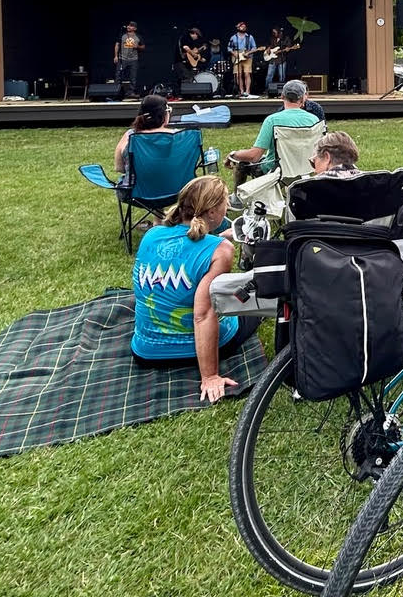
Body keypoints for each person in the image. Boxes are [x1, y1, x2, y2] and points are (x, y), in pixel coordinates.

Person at [131, 175, 258, 403]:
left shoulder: (151, 235)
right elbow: (203, 314)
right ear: (211, 212)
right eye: (223, 203)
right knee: (253, 303)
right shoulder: (221, 250)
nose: (227, 206)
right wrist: (209, 376)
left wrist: (216, 239)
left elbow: (185, 250)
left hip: (146, 351)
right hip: (190, 350)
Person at [224, 79, 320, 187]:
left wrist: (234, 154)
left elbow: (254, 156)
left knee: (242, 162)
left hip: (275, 172)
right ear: (303, 98)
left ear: (282, 96)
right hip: (305, 171)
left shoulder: (272, 120)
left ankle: (237, 200)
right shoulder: (314, 120)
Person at [114, 94, 176, 185]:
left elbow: (119, 168)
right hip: (175, 190)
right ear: (164, 115)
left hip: (136, 193)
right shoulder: (179, 136)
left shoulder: (130, 136)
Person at [113, 21, 145, 95]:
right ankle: (117, 92)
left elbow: (143, 47)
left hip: (133, 59)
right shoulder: (122, 35)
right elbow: (117, 45)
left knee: (133, 77)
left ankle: (131, 92)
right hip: (122, 59)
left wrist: (137, 47)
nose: (128, 27)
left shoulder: (138, 36)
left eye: (131, 26)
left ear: (135, 28)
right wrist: (115, 56)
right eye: (128, 25)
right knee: (118, 76)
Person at [228, 21, 258, 98]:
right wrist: (234, 53)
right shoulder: (233, 37)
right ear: (238, 28)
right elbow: (229, 47)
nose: (243, 27)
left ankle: (247, 91)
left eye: (244, 26)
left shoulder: (250, 37)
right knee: (238, 75)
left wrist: (248, 53)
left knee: (247, 74)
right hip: (237, 56)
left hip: (247, 57)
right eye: (241, 26)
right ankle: (241, 91)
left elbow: (254, 48)